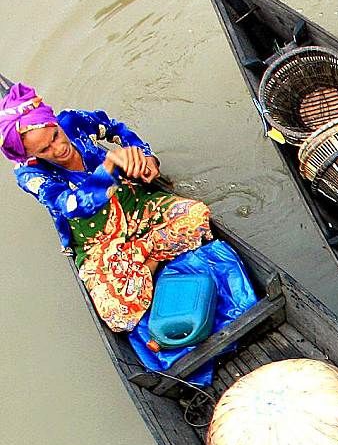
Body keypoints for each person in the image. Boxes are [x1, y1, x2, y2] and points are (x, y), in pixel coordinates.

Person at [5, 83, 212, 332]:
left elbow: (115, 129)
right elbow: (72, 206)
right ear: (30, 155)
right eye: (44, 150)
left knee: (196, 217)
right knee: (118, 316)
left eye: (56, 136)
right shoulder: (30, 174)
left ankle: (142, 263)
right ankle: (146, 259)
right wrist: (109, 166)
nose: (58, 148)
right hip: (96, 239)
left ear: (55, 123)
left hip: (132, 205)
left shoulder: (72, 121)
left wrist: (146, 157)